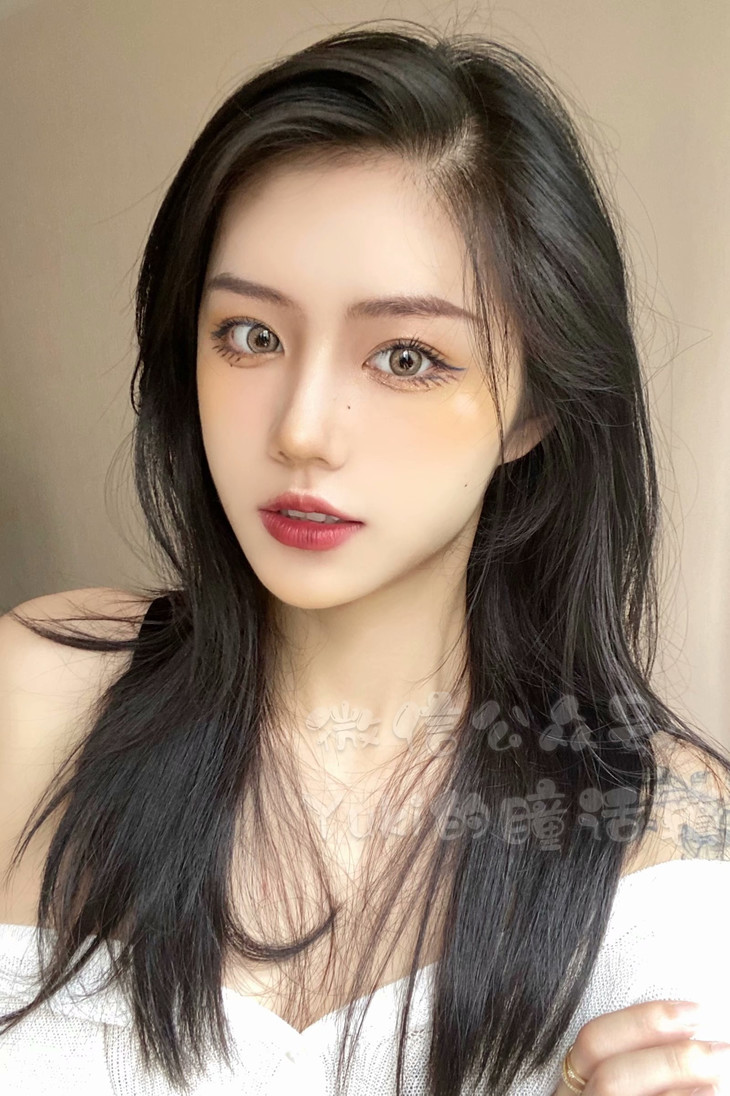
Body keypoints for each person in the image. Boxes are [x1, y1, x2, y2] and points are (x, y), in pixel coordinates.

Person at [1, 19, 729, 1096]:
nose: (301, 429)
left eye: (406, 356)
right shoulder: (38, 698)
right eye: (250, 335)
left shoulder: (658, 825)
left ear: (533, 406)